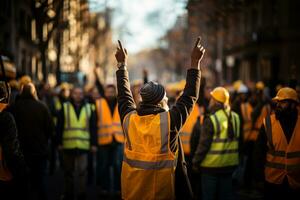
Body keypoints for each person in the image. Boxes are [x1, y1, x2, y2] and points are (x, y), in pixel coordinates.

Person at [115, 37, 205, 199]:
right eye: (165, 97)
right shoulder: (169, 122)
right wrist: (195, 62)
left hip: (131, 193)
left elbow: (123, 95)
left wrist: (122, 65)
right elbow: (190, 95)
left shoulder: (129, 119)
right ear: (160, 100)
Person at [192, 87, 241, 200]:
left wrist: (195, 162)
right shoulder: (236, 117)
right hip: (229, 166)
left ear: (215, 101)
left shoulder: (211, 119)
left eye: (211, 98)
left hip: (211, 168)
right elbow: (240, 143)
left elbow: (203, 145)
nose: (210, 101)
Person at [9, 83, 54, 200]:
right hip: (39, 151)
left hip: (21, 151)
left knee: (21, 183)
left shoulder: (14, 108)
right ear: (34, 92)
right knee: (40, 181)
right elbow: (50, 129)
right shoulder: (42, 107)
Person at [254, 87, 300, 200]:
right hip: (273, 181)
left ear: (293, 104)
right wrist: (259, 178)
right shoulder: (268, 123)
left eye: (283, 102)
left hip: (295, 181)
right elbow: (258, 152)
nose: (278, 105)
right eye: (277, 102)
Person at [56, 86, 97, 200]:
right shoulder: (65, 107)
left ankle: (81, 194)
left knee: (82, 172)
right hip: (67, 145)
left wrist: (94, 144)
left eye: (80, 93)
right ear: (72, 94)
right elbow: (59, 127)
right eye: (75, 93)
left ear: (83, 95)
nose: (78, 95)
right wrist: (58, 143)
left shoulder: (89, 108)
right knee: (68, 172)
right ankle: (68, 194)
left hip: (83, 146)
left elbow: (94, 128)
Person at [94, 66, 123, 196]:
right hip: (103, 140)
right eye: (108, 92)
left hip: (118, 140)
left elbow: (124, 90)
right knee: (104, 166)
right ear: (104, 92)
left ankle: (118, 189)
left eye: (112, 92)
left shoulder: (121, 103)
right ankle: (104, 188)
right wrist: (96, 75)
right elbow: (94, 124)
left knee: (118, 166)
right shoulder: (99, 102)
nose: (110, 94)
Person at [0, 81, 28, 200]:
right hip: (3, 175)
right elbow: (11, 150)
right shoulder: (6, 117)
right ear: (6, 96)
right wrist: (22, 170)